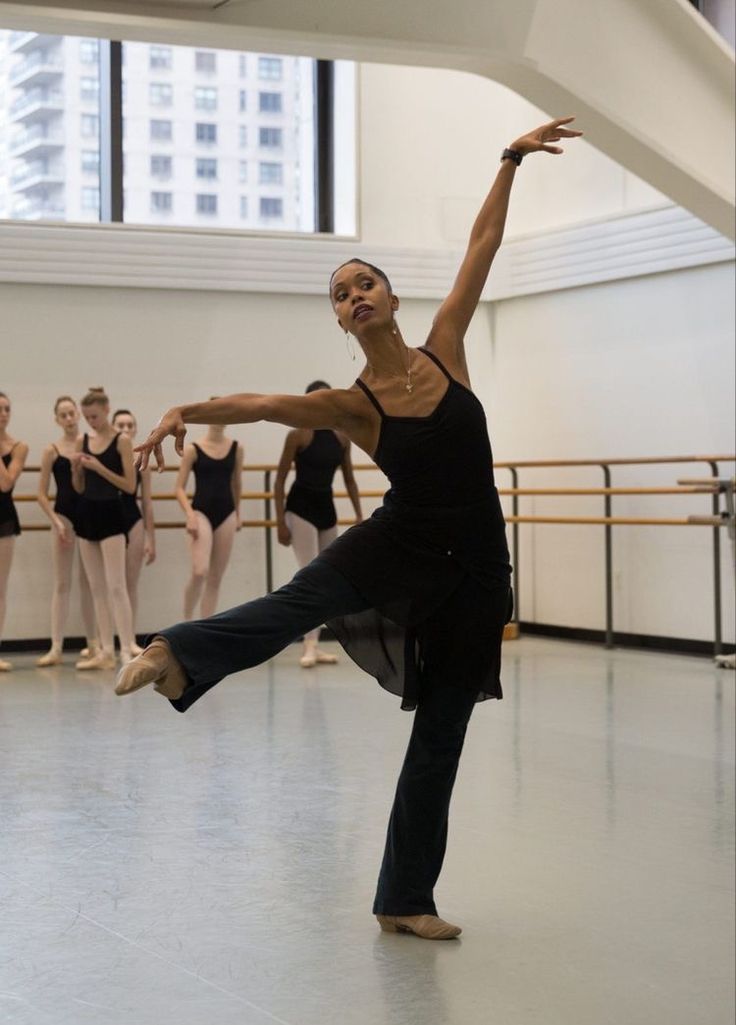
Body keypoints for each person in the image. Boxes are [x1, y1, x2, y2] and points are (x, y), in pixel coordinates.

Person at [116, 118, 582, 940]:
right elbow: (258, 403)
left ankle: (406, 897)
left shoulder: (444, 348)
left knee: (442, 731)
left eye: (365, 282)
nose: (355, 294)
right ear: (340, 321)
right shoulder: (351, 406)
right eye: (341, 292)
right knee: (302, 597)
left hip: (477, 567)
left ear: (392, 298)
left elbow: (481, 243)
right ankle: (173, 652)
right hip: (398, 539)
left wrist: (509, 159)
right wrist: (185, 409)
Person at [274, 380, 363, 667]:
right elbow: (279, 480)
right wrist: (280, 522)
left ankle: (315, 643)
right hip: (300, 508)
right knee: (310, 575)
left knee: (327, 577)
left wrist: (360, 514)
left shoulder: (341, 437)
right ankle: (308, 645)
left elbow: (349, 478)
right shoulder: (298, 435)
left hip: (326, 508)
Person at [72, 387, 137, 669]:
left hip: (112, 512)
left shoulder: (121, 441)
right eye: (86, 417)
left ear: (107, 409)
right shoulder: (82, 440)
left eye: (95, 416)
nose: (91, 422)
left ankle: (126, 648)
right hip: (87, 513)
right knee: (96, 587)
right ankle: (106, 650)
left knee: (116, 585)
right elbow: (79, 488)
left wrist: (99, 467)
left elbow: (129, 485)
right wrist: (77, 470)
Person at [36, 396, 97, 666]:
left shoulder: (90, 444)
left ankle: (94, 644)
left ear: (78, 415)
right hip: (63, 517)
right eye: (64, 415)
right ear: (57, 420)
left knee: (90, 583)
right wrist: (56, 521)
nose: (69, 418)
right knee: (62, 584)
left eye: (72, 413)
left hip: (88, 517)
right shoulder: (51, 450)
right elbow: (41, 494)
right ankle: (56, 647)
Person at [174, 416, 243, 620]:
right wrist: (189, 515)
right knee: (199, 571)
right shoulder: (193, 449)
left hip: (227, 512)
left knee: (215, 578)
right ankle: (186, 622)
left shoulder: (237, 448)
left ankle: (204, 628)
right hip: (200, 511)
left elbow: (236, 483)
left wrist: (238, 513)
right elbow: (178, 488)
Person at [112, 408, 156, 650]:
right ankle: (108, 640)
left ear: (136, 429)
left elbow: (147, 502)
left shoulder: (142, 459)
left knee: (130, 583)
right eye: (121, 425)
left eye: (130, 425)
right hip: (109, 521)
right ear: (113, 428)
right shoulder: (107, 456)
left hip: (133, 519)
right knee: (112, 584)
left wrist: (152, 539)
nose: (126, 429)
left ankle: (129, 639)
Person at [0, 392, 28, 672]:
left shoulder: (19, 447)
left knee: (0, 587)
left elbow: (6, 483)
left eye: (7, 409)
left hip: (4, 518)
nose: (3, 414)